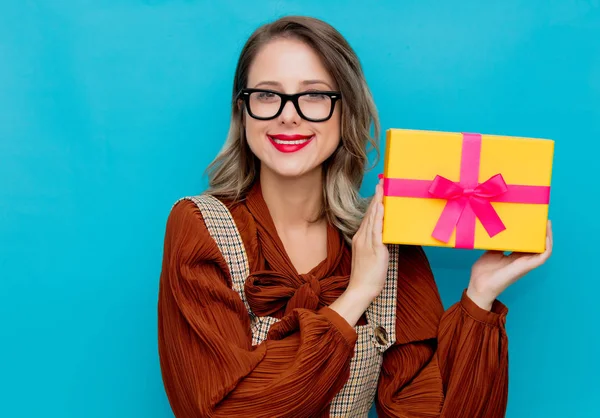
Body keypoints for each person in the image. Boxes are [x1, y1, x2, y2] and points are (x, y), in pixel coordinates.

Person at [157, 15, 553, 418]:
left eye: (313, 96)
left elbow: (427, 409)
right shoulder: (200, 227)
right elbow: (219, 409)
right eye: (267, 95)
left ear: (346, 111)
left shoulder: (387, 236)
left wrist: (479, 296)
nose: (288, 116)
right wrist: (358, 293)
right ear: (243, 112)